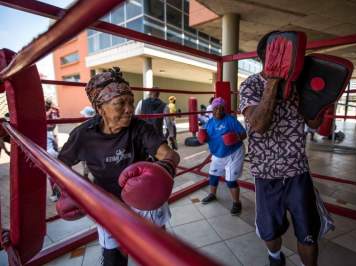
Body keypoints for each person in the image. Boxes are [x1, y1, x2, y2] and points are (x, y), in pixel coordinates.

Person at [58, 67, 180, 266]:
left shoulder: (139, 128)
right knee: (113, 260)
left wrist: (164, 169)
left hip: (144, 198)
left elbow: (169, 154)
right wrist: (67, 189)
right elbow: (60, 164)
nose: (129, 109)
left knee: (157, 253)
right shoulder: (83, 135)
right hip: (108, 204)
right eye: (120, 103)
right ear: (100, 109)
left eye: (131, 102)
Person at [239, 34, 323, 266]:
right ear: (266, 57)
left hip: (297, 172)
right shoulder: (251, 85)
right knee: (270, 232)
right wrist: (274, 83)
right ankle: (275, 257)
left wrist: (325, 97)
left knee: (308, 232)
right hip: (266, 175)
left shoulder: (299, 86)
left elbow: (315, 124)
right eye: (283, 53)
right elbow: (258, 125)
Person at [199, 97, 247, 215]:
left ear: (224, 109)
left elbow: (244, 134)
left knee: (230, 180)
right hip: (217, 154)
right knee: (213, 175)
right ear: (212, 109)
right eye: (216, 108)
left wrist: (236, 137)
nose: (219, 111)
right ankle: (212, 195)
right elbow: (203, 136)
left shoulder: (231, 120)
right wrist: (201, 138)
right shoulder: (209, 123)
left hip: (234, 153)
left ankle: (236, 202)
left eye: (221, 108)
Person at [45, 98, 61, 202]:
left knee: (51, 175)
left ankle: (56, 194)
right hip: (51, 134)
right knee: (56, 173)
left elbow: (57, 117)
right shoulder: (50, 111)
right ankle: (58, 192)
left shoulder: (51, 111)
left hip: (48, 152)